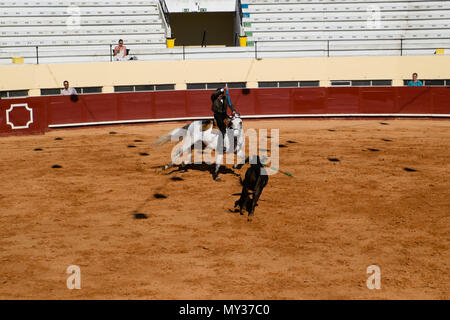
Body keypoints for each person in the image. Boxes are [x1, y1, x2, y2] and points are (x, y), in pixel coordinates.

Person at [211, 86, 236, 152]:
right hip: (217, 115)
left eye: (221, 94)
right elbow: (214, 94)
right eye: (219, 94)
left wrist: (233, 110)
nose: (220, 95)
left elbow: (230, 104)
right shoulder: (214, 97)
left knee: (232, 125)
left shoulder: (225, 97)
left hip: (224, 115)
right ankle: (220, 146)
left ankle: (232, 143)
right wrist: (223, 89)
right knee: (222, 129)